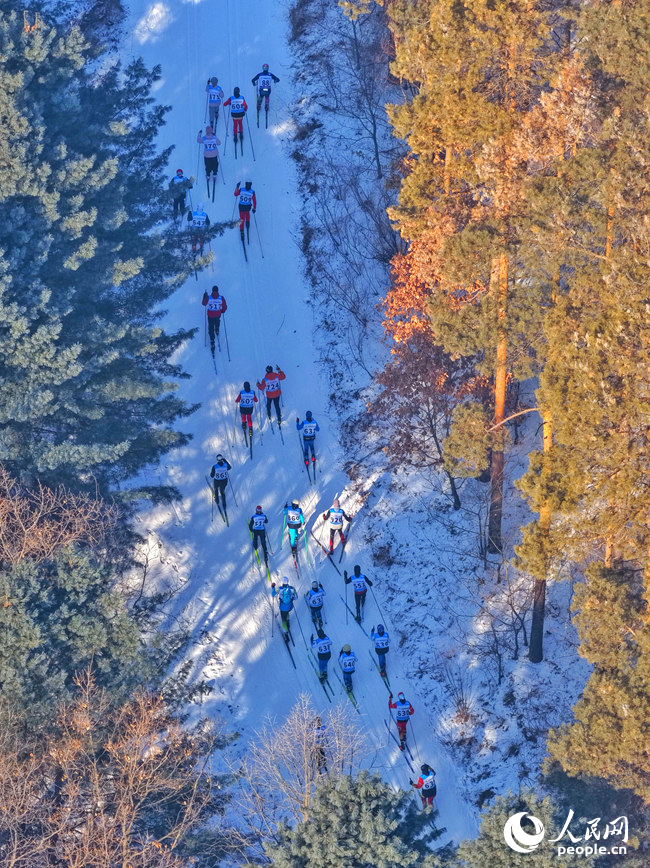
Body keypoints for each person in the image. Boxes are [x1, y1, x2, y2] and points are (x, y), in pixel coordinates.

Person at [202, 286, 227, 355]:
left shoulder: (209, 297)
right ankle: (217, 330)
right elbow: (225, 306)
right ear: (218, 291)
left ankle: (212, 341)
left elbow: (203, 303)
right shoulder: (221, 298)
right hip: (218, 314)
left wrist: (204, 296)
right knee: (217, 321)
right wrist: (222, 311)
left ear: (212, 291)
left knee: (210, 327)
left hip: (210, 315)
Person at [223, 87, 248, 151]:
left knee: (235, 125)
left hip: (234, 115)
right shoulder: (242, 98)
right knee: (240, 124)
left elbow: (224, 104)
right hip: (240, 114)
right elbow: (245, 106)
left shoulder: (231, 98)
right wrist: (245, 109)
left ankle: (235, 136)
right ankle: (241, 134)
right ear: (239, 92)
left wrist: (229, 103)